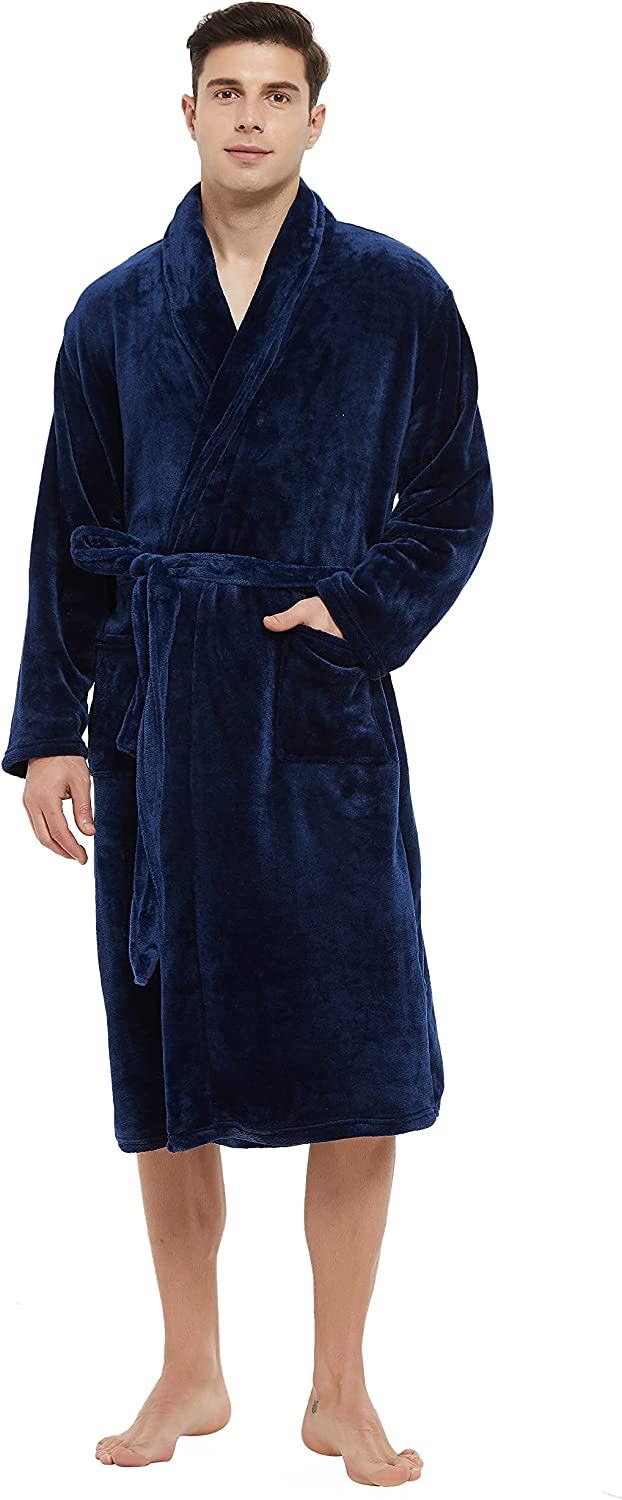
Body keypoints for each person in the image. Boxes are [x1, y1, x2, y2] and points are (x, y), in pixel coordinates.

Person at [2, 3, 493, 1482]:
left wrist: (356, 612)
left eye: (280, 96)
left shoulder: (395, 295)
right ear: (189, 111)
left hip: (315, 720)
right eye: (227, 91)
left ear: (316, 122)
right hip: (156, 725)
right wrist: (52, 730)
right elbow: (68, 533)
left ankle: (340, 1385)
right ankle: (191, 1371)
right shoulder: (113, 310)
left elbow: (452, 500)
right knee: (170, 1072)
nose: (251, 117)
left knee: (358, 1054)